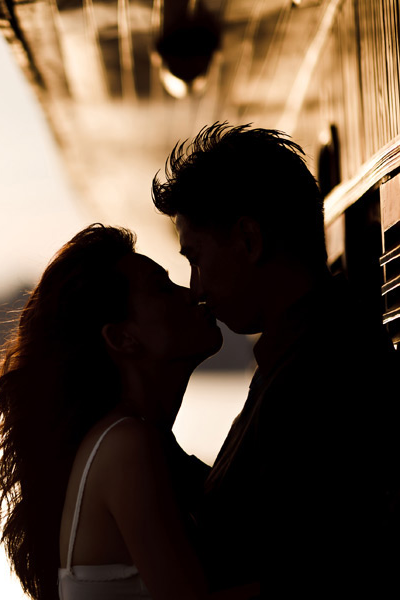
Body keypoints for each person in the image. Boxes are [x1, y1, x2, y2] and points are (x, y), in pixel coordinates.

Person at [152, 123, 399, 597]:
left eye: (196, 258)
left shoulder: (322, 375)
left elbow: (302, 568)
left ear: (249, 240)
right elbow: (258, 514)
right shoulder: (306, 353)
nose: (196, 288)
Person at [0, 223, 226, 600]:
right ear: (122, 338)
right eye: (163, 287)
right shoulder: (126, 445)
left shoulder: (139, 442)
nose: (193, 294)